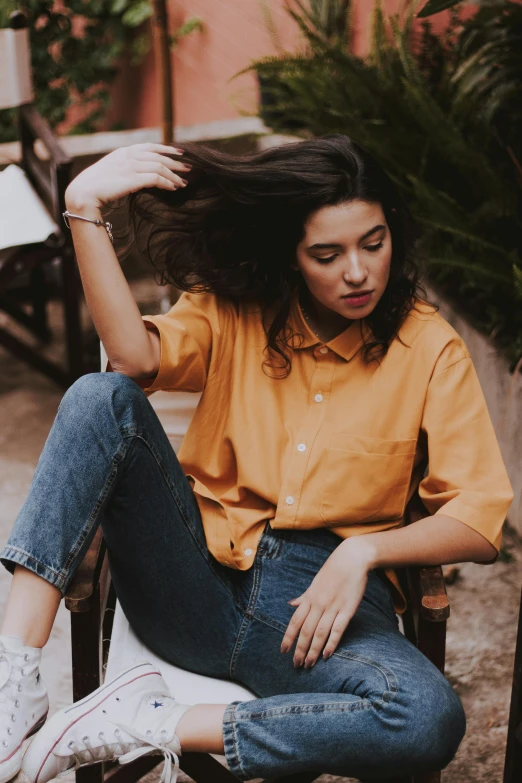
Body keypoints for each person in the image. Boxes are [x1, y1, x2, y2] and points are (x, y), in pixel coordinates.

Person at [0, 135, 513, 783]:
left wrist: (364, 552)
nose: (357, 271)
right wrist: (83, 204)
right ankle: (13, 682)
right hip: (191, 583)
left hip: (322, 621)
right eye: (327, 254)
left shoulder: (428, 347)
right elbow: (133, 359)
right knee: (99, 397)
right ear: (293, 257)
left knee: (428, 716)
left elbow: (478, 517)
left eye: (374, 243)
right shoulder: (236, 309)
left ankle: (147, 719)